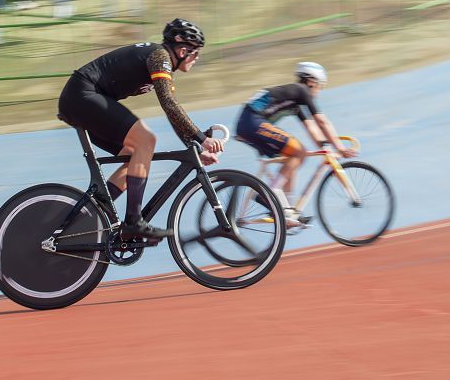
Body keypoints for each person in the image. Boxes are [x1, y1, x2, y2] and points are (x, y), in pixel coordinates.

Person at [57, 19, 224, 239]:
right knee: (146, 140)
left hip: (80, 98)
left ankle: (95, 210)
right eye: (196, 53)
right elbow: (170, 104)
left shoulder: (162, 62)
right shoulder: (160, 57)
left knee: (135, 156)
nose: (197, 58)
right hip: (83, 94)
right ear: (183, 50)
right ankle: (133, 222)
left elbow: (171, 111)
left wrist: (193, 146)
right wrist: (201, 139)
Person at [235, 62, 353, 226]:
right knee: (299, 151)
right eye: (320, 86)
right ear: (311, 81)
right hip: (252, 122)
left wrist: (325, 147)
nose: (319, 91)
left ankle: (287, 210)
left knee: (293, 157)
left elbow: (311, 127)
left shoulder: (295, 100)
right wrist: (340, 147)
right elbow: (322, 121)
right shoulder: (301, 90)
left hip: (248, 123)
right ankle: (267, 194)